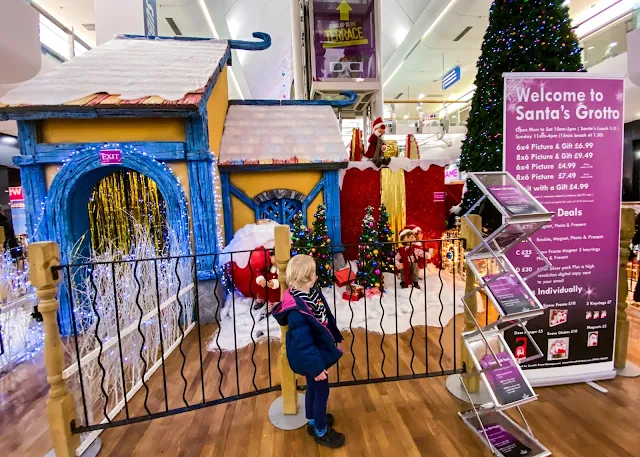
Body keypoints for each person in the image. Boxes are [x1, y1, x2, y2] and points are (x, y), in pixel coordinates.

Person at [272, 255, 345, 448]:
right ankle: (321, 431)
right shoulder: (297, 311)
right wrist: (316, 368)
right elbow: (304, 344)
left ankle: (312, 420)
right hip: (311, 357)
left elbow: (324, 319)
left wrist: (333, 337)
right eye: (313, 272)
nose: (316, 275)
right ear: (306, 277)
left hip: (317, 350)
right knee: (322, 390)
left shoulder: (310, 293)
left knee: (313, 387)